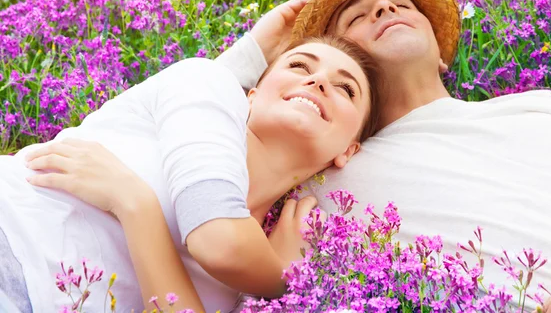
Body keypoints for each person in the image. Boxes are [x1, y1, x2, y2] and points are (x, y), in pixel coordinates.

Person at [218, 0, 551, 312]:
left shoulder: (545, 106)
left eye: (401, 4)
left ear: (441, 55)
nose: (383, 9)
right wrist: (250, 54)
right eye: (357, 17)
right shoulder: (322, 173)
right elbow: (185, 150)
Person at [0, 35, 382, 313]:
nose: (317, 82)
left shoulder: (241, 289)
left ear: (348, 150)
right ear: (250, 95)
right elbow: (219, 243)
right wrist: (282, 279)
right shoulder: (208, 84)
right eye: (299, 65)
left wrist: (135, 204)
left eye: (346, 89)